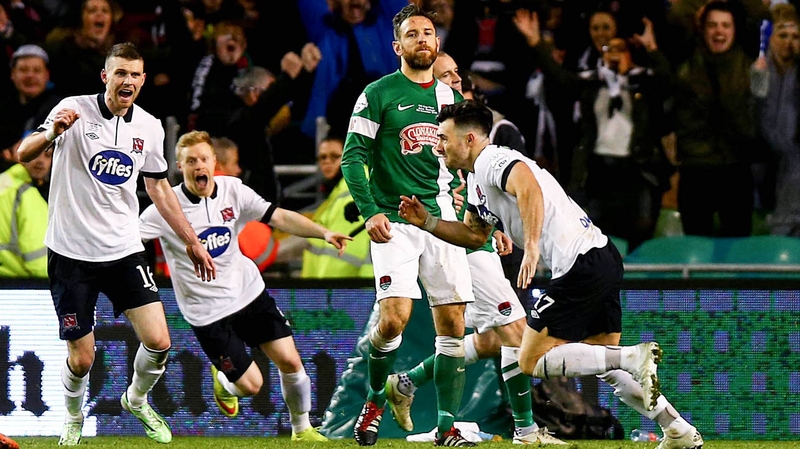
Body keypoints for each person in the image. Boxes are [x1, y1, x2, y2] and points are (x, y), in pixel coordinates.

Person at [398, 100, 704, 449]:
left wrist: (530, 247)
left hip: (578, 264)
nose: (437, 146)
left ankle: (635, 357)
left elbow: (527, 184)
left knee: (530, 360)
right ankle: (677, 429)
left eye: (442, 138)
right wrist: (428, 222)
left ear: (468, 139)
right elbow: (474, 235)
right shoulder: (475, 181)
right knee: (602, 361)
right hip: (600, 256)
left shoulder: (490, 159)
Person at [16, 42, 216, 446]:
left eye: (135, 74)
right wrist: (54, 132)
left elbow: (158, 186)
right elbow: (23, 153)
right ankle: (73, 416)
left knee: (159, 340)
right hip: (71, 253)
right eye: (120, 73)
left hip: (123, 249)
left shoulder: (149, 126)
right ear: (105, 77)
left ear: (142, 81)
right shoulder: (71, 108)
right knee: (82, 358)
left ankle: (136, 398)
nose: (127, 80)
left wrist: (191, 239)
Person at [383, 51, 564, 445]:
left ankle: (406, 383)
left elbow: (482, 192)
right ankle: (527, 431)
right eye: (443, 77)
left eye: (456, 76)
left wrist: (492, 221)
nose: (453, 83)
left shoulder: (469, 134)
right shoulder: (425, 136)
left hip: (475, 237)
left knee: (489, 340)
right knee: (518, 333)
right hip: (456, 243)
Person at [139, 130, 349, 441]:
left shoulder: (233, 190)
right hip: (207, 313)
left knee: (291, 361)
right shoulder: (163, 209)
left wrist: (323, 233)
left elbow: (277, 217)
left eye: (204, 159)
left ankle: (302, 429)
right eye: (191, 161)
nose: (199, 166)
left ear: (214, 163)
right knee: (251, 386)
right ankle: (224, 383)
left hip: (248, 293)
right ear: (179, 166)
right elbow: (128, 241)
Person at [341, 4, 475, 447]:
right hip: (393, 220)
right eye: (413, 34)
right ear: (398, 46)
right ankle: (376, 397)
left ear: (437, 44)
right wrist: (370, 211)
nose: (423, 39)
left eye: (429, 33)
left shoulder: (452, 103)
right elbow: (352, 157)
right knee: (395, 320)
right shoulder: (378, 93)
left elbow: (467, 165)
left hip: (440, 219)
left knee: (454, 324)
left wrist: (474, 208)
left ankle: (446, 425)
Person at [751, 3, 800, 236]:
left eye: (795, 36)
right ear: (771, 37)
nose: (788, 42)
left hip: (793, 164)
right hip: (757, 162)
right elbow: (751, 115)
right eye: (782, 35)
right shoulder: (758, 70)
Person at [301, 136, 372, 278]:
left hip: (350, 287)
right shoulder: (336, 194)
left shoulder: (358, 186)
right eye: (322, 158)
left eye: (334, 156)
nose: (327, 162)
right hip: (332, 288)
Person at [0, 141, 50, 278]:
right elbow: (39, 262)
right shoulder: (25, 192)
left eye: (48, 155)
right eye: (35, 154)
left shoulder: (4, 182)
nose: (40, 161)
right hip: (20, 284)